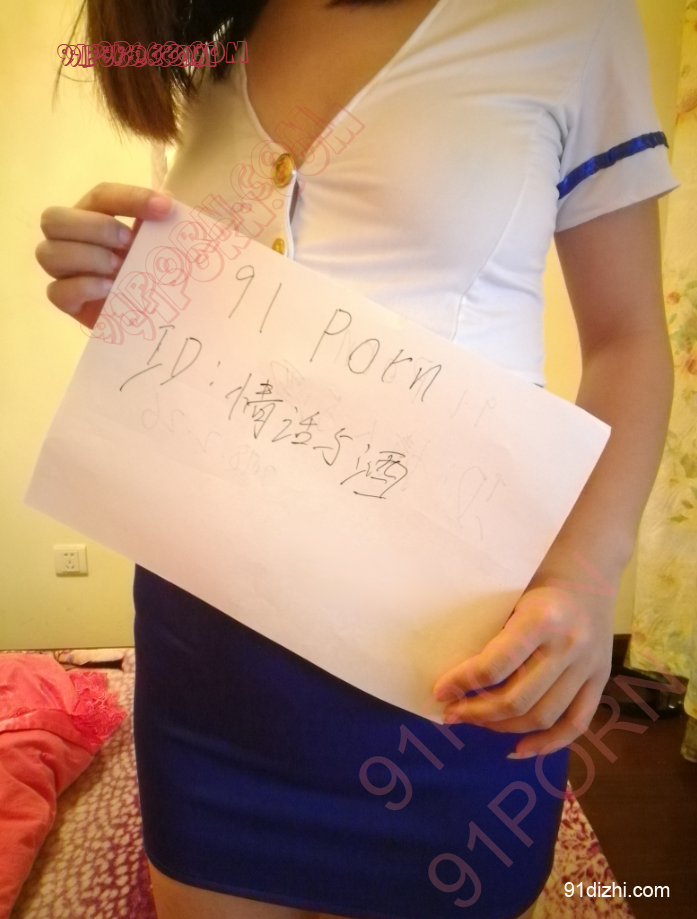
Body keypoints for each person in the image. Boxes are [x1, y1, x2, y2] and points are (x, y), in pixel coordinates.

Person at [35, 1, 678, 917]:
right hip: (207, 655)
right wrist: (130, 300)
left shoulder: (570, 20)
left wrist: (585, 573)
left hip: (451, 652)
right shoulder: (213, 34)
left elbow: (626, 342)